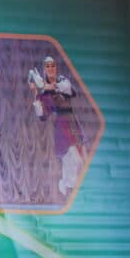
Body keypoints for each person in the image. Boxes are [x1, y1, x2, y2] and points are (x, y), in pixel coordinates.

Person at [29, 56, 88, 197]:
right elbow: (42, 116)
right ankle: (68, 186)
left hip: (73, 122)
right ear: (44, 69)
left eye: (52, 66)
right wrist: (36, 92)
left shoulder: (62, 81)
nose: (50, 68)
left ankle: (67, 184)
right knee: (73, 158)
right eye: (47, 66)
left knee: (80, 160)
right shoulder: (44, 95)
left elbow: (71, 91)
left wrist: (46, 86)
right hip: (62, 126)